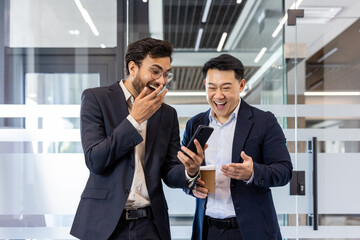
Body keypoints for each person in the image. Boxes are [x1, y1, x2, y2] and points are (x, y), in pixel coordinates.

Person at [70, 37, 203, 240]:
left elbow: (169, 170)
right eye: (155, 71)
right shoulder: (96, 99)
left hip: (151, 224)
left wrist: (189, 171)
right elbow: (95, 160)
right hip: (106, 225)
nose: (162, 81)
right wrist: (134, 119)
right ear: (133, 68)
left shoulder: (167, 114)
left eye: (166, 74)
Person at [179, 54, 293, 240]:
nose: (218, 96)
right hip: (207, 230)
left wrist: (253, 172)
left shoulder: (263, 122)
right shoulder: (195, 124)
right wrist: (191, 180)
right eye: (212, 88)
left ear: (241, 86)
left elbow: (284, 171)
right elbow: (183, 174)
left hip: (251, 230)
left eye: (226, 88)